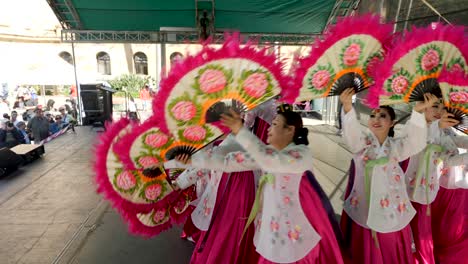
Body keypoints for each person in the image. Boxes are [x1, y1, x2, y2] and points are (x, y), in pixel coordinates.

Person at [175, 106, 345, 263]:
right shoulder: (271, 153)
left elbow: (268, 159)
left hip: (294, 238)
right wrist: (191, 160)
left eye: (275, 124)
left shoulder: (300, 155)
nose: (268, 129)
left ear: (290, 130)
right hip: (271, 235)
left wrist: (240, 131)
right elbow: (228, 161)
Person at [339, 88, 436, 264]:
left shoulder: (396, 147)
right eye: (373, 115)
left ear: (392, 122)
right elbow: (351, 134)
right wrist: (347, 106)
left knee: (390, 245)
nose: (376, 119)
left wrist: (418, 111)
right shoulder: (362, 145)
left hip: (391, 206)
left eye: (382, 116)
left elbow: (415, 142)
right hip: (366, 206)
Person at [403, 99, 461, 264]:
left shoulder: (440, 130)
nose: (439, 111)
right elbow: (419, 140)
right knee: (416, 237)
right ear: (423, 106)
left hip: (425, 193)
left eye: (443, 108)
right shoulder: (414, 125)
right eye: (435, 106)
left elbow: (449, 159)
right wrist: (436, 126)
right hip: (409, 191)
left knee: (421, 236)